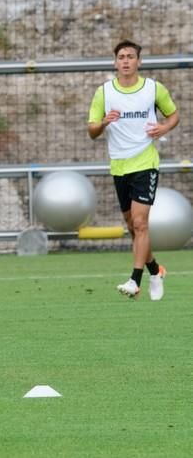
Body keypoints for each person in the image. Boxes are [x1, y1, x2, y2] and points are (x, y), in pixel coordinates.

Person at [88, 40, 179, 300]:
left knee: (141, 223)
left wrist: (164, 128)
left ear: (139, 61)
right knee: (132, 226)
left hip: (145, 163)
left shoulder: (153, 89)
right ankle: (155, 270)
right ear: (115, 62)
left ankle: (135, 280)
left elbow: (173, 115)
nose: (126, 61)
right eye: (121, 57)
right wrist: (104, 122)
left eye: (130, 56)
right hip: (119, 165)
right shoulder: (104, 92)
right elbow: (92, 131)